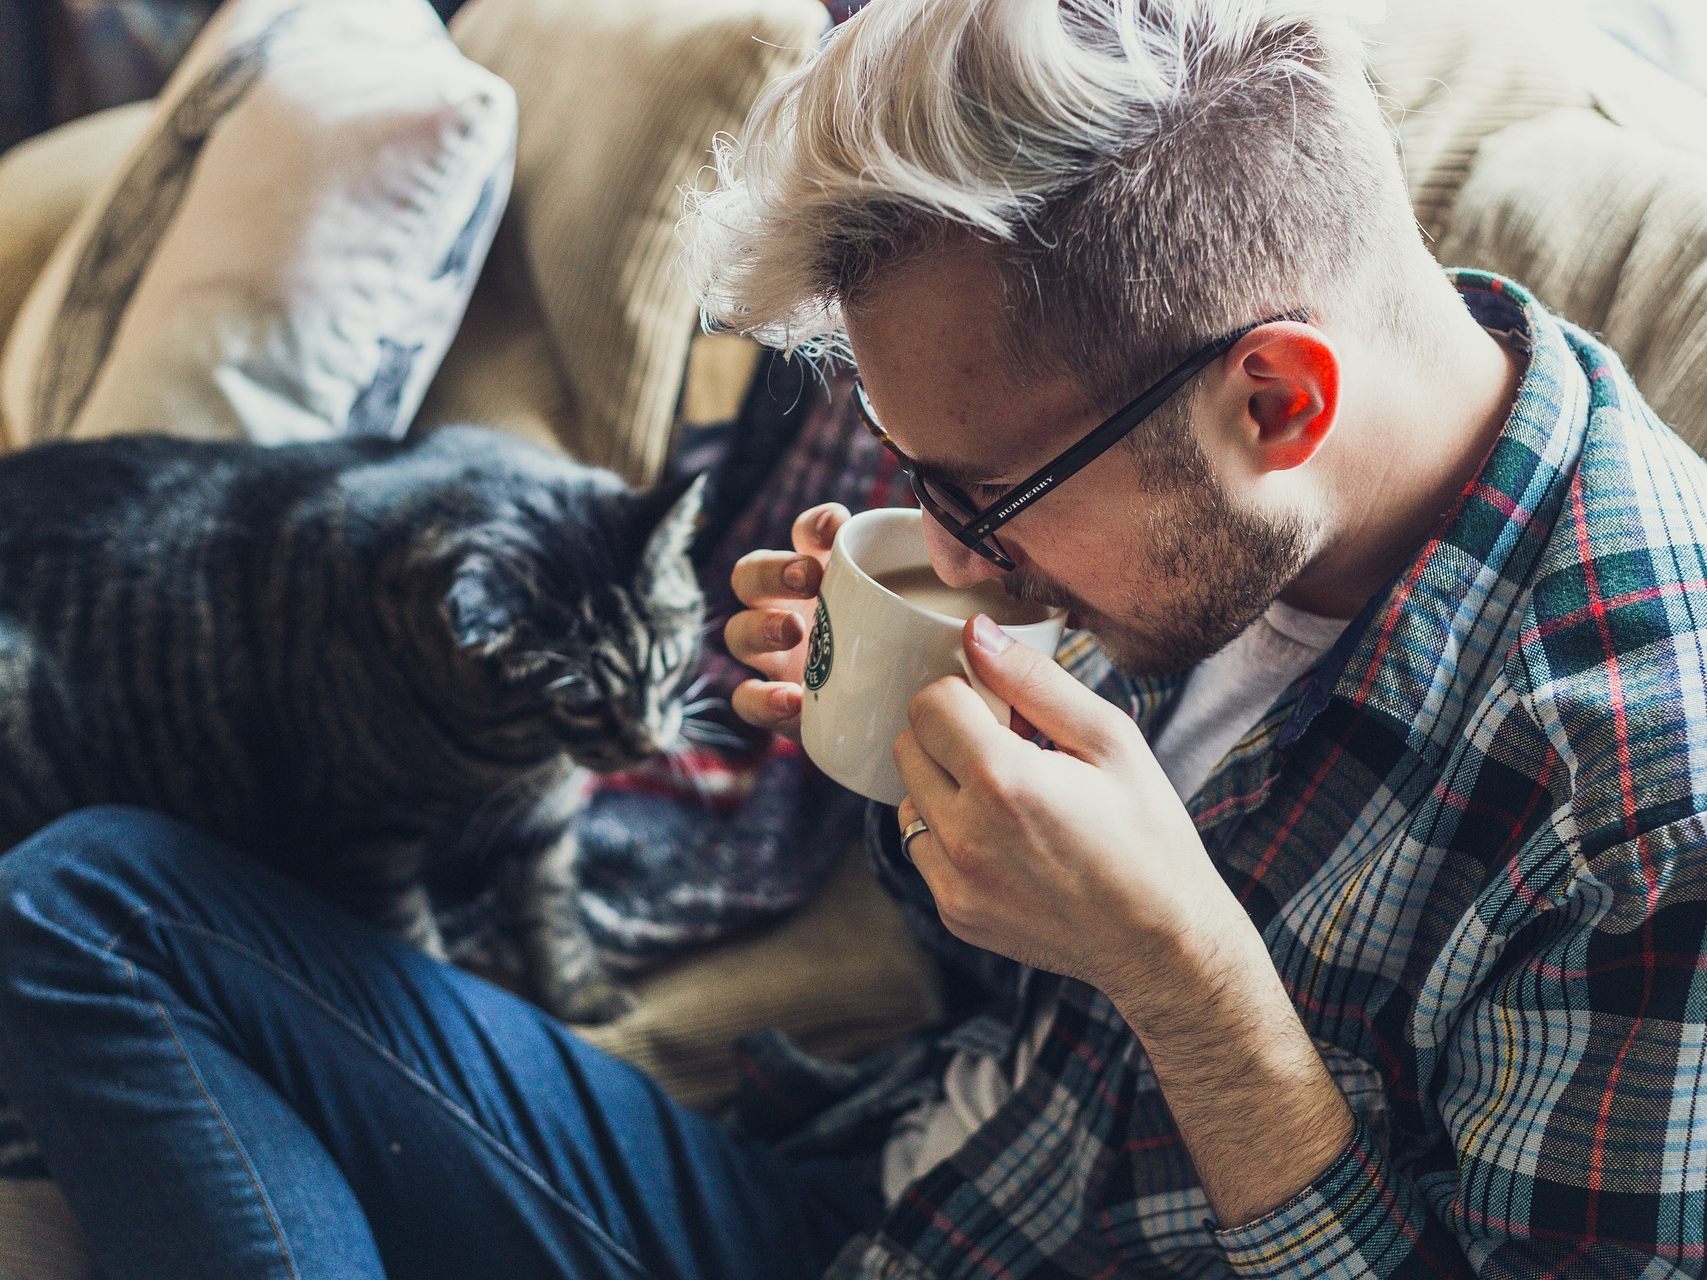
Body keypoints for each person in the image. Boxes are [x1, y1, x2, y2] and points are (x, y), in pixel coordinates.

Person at [3, 0, 1706, 1276]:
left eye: (978, 491)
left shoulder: (1649, 804)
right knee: (80, 903)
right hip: (888, 1207)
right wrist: (906, 766)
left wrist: (1190, 987)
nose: (954, 548)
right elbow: (1001, 993)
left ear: (1274, 397)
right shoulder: (1207, 509)